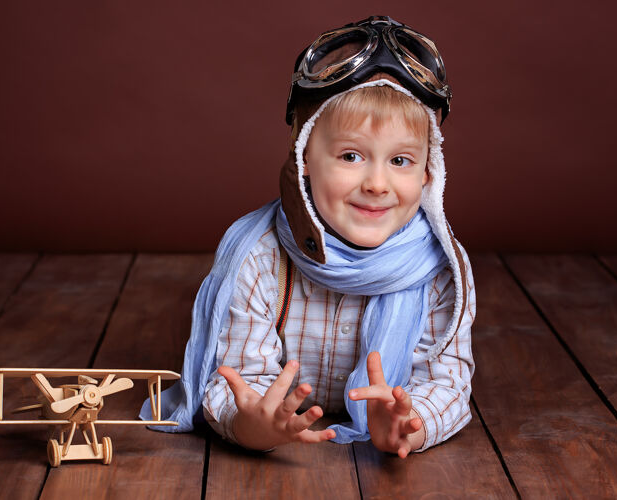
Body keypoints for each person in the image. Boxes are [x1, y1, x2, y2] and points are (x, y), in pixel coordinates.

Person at [140, 15, 475, 458]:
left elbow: (445, 382)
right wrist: (251, 423)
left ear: (430, 173)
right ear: (303, 160)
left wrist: (411, 426)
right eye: (351, 155)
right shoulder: (260, 257)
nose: (377, 183)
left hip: (386, 424)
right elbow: (235, 377)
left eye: (400, 161)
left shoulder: (439, 268)